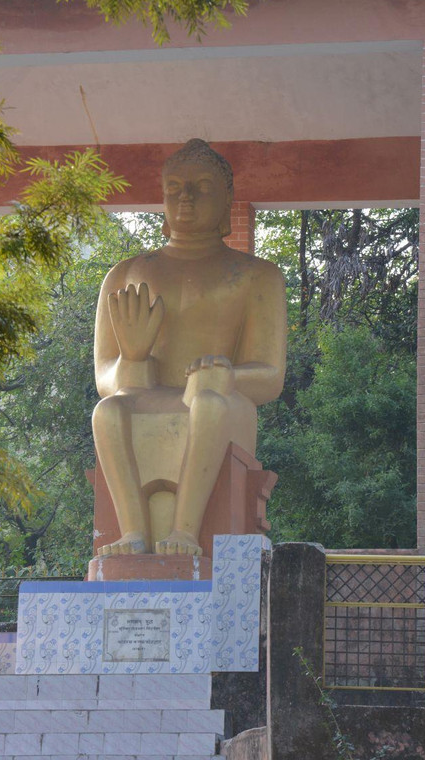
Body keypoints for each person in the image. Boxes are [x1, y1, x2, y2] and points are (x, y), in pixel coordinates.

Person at [92, 139, 287, 557]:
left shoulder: (257, 276)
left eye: (201, 187)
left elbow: (271, 376)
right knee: (107, 411)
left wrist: (229, 375)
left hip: (221, 399)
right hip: (149, 394)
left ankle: (184, 532)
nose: (186, 197)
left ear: (226, 199)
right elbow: (105, 379)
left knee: (209, 404)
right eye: (175, 188)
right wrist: (133, 358)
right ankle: (134, 533)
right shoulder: (125, 275)